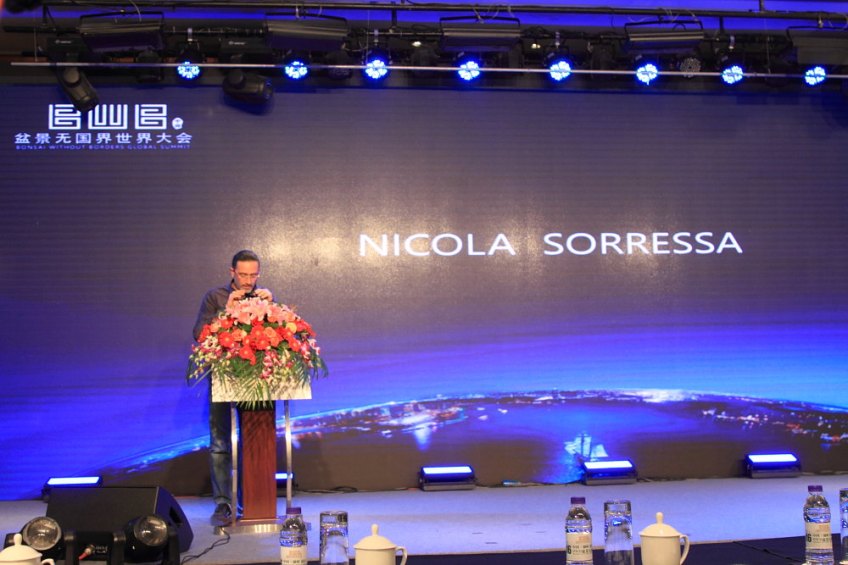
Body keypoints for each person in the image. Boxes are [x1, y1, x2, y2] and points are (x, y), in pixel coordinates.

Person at [192, 249, 274, 526]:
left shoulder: (263, 297)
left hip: (256, 381)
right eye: (243, 275)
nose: (248, 281)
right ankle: (223, 504)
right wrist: (227, 309)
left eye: (253, 275)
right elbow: (199, 334)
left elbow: (278, 336)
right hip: (223, 378)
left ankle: (252, 502)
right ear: (232, 273)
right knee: (220, 443)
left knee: (254, 441)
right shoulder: (215, 297)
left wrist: (273, 309)